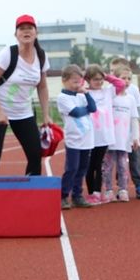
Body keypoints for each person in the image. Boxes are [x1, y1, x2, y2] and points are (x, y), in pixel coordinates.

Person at [0, 14, 52, 177]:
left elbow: (42, 87)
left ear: (36, 32)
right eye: (22, 29)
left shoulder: (41, 56)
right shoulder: (8, 54)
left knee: (35, 155)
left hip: (23, 113)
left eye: (30, 28)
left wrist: (46, 114)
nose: (26, 32)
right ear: (16, 34)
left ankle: (31, 194)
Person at [56, 64, 96, 210]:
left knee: (82, 169)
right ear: (64, 80)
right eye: (73, 81)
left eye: (78, 81)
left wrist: (85, 93)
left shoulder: (80, 96)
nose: (76, 84)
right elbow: (76, 113)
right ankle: (63, 195)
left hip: (87, 140)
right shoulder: (62, 98)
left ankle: (77, 195)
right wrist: (84, 110)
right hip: (74, 140)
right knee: (72, 168)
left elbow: (93, 108)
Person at [109, 57, 140, 200]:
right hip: (115, 133)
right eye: (111, 71)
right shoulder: (110, 90)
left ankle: (139, 186)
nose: (112, 73)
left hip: (130, 132)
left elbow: (139, 109)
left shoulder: (133, 89)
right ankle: (121, 187)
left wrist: (128, 114)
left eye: (115, 70)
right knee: (115, 161)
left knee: (135, 160)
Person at [83, 64, 119, 203]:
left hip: (104, 134)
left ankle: (98, 192)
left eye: (100, 79)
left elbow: (120, 83)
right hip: (90, 135)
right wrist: (84, 79)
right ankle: (91, 191)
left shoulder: (107, 92)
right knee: (90, 165)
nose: (98, 82)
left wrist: (107, 76)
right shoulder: (84, 92)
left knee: (98, 164)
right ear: (88, 80)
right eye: (95, 79)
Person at [105, 63, 137, 201]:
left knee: (123, 166)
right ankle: (108, 190)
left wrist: (135, 138)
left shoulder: (131, 99)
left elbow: (134, 119)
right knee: (107, 166)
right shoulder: (110, 95)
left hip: (124, 140)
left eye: (129, 78)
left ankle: (123, 189)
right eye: (123, 78)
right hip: (110, 139)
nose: (127, 81)